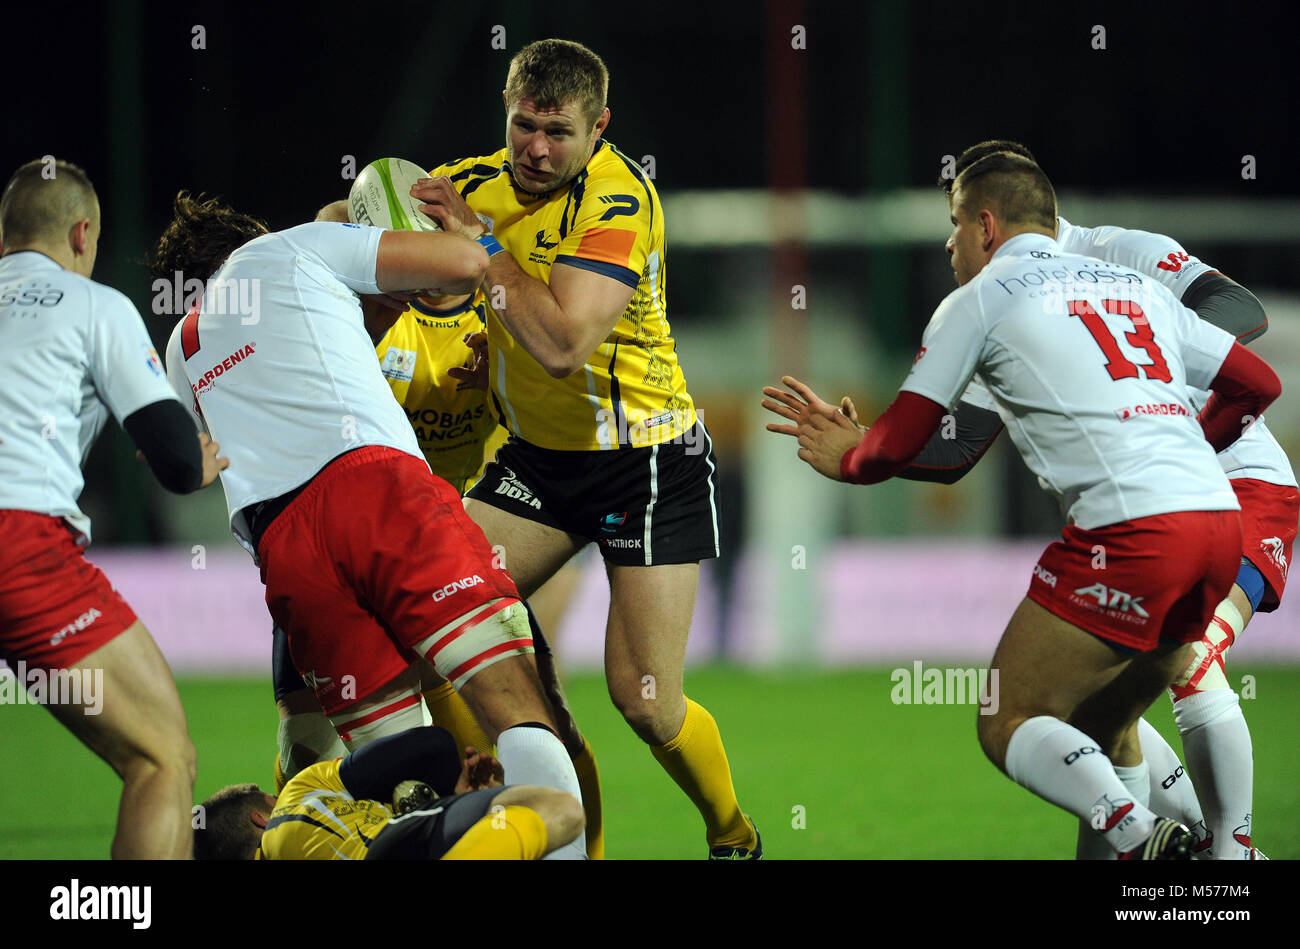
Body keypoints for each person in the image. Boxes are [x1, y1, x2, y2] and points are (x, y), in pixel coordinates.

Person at [764, 152, 1281, 858]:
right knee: (1108, 723)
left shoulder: (987, 300)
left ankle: (1153, 839)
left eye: (952, 226)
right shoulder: (1133, 287)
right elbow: (1260, 382)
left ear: (986, 224)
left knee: (1007, 714)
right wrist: (1174, 436)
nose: (946, 245)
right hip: (1216, 518)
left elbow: (897, 444)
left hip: (1154, 522)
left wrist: (851, 456)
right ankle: (1208, 853)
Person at [149, 191, 587, 859]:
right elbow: (462, 263)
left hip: (288, 554)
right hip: (375, 492)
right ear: (248, 238)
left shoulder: (181, 349)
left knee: (405, 789)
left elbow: (188, 462)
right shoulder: (283, 250)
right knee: (515, 707)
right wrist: (475, 236)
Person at [411, 38, 757, 857]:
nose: (535, 147)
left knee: (645, 702)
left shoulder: (618, 202)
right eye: (523, 124)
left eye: (557, 132)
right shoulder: (466, 185)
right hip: (534, 463)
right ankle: (524, 785)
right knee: (427, 614)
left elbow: (563, 342)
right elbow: (347, 226)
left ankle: (732, 831)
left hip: (646, 464)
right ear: (506, 105)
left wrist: (480, 247)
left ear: (598, 128)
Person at [268, 199, 604, 859]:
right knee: (307, 748)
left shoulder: (500, 313)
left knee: (530, 722)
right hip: (347, 545)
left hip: (447, 547)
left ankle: (578, 848)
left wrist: (509, 376)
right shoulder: (351, 313)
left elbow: (577, 391)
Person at [0, 158, 226, 858]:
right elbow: (179, 462)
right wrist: (198, 459)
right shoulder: (92, 304)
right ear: (82, 233)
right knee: (161, 758)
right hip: (20, 544)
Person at [194, 726, 583, 860]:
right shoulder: (294, 803)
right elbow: (429, 745)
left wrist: (463, 801)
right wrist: (452, 793)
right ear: (261, 817)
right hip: (394, 848)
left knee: (503, 826)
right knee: (556, 806)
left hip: (416, 841)